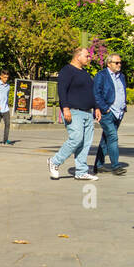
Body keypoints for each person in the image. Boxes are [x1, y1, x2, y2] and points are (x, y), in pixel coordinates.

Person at [49, 46, 101, 181]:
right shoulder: (67, 71)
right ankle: (55, 161)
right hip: (74, 111)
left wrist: (96, 107)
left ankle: (81, 171)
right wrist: (65, 108)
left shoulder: (84, 73)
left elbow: (91, 92)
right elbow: (62, 91)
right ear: (78, 56)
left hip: (88, 113)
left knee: (86, 142)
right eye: (87, 56)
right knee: (76, 138)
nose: (89, 58)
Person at [92, 53, 129, 176]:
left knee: (106, 139)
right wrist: (105, 109)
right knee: (113, 137)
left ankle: (98, 165)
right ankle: (116, 166)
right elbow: (96, 93)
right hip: (107, 113)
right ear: (109, 63)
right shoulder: (101, 75)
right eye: (116, 63)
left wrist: (123, 107)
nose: (119, 65)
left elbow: (121, 91)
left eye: (120, 62)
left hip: (119, 113)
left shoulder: (121, 76)